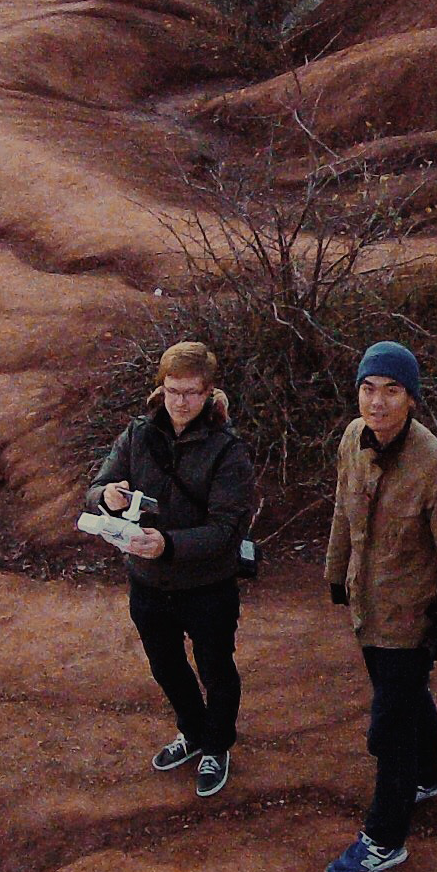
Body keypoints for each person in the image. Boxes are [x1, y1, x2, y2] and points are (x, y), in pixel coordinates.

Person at [321, 342, 437, 872]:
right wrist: (335, 571)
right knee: (407, 697)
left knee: (389, 732)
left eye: (392, 391)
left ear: (411, 399)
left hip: (410, 619)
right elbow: (345, 505)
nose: (378, 402)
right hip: (368, 605)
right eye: (368, 389)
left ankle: (384, 840)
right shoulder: (352, 438)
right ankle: (430, 776)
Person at [89, 342, 259, 798]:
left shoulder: (228, 451)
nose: (180, 402)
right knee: (165, 666)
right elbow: (97, 486)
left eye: (190, 393)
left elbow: (226, 529)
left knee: (215, 669)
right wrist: (107, 497)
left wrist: (167, 544)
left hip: (207, 586)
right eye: (171, 391)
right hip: (148, 582)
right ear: (160, 389)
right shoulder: (137, 435)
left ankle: (216, 746)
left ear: (208, 394)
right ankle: (194, 731)